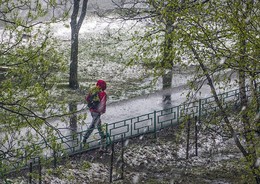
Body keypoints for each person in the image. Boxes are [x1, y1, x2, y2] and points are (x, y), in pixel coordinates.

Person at [83, 80, 107, 144]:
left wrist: (91, 105)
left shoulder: (93, 90)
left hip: (92, 110)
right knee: (93, 125)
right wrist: (102, 111)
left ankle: (102, 135)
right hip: (97, 111)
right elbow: (103, 103)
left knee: (98, 122)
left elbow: (87, 98)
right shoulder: (102, 93)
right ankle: (85, 138)